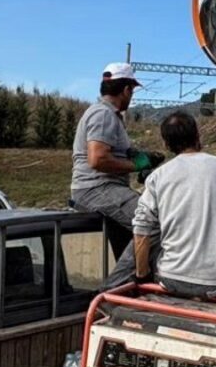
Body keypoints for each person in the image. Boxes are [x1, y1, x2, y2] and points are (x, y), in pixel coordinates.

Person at [131, 111, 216, 300]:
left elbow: (141, 230)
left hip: (170, 280)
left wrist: (142, 277)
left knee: (157, 247)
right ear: (197, 134)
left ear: (166, 144)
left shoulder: (157, 177)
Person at [69, 63, 161, 268]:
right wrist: (136, 166)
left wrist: (140, 156)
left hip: (102, 188)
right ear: (126, 89)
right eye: (132, 91)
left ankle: (131, 282)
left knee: (131, 236)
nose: (132, 96)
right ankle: (125, 280)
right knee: (152, 221)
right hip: (96, 188)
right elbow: (97, 159)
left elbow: (112, 151)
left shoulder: (107, 115)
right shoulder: (103, 115)